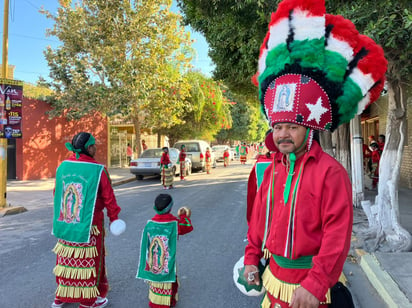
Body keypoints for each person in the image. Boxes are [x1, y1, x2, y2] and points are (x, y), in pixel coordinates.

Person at [242, 0, 387, 307]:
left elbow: (337, 233)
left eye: (292, 127)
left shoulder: (331, 172)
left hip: (311, 293)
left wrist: (317, 282)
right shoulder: (271, 170)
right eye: (278, 126)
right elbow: (258, 221)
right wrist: (252, 259)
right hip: (273, 286)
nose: (282, 134)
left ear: (308, 128)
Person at [51, 132, 125, 308]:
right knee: (89, 262)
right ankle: (88, 301)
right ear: (89, 148)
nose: (96, 148)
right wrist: (114, 218)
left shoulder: (63, 166)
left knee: (67, 260)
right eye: (94, 145)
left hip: (67, 223)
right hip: (90, 226)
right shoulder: (98, 169)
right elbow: (109, 199)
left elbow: (56, 193)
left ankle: (60, 297)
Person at [136, 194, 193, 308]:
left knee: (155, 278)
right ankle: (168, 301)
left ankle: (155, 300)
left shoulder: (150, 224)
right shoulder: (174, 223)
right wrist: (184, 216)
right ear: (170, 208)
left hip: (153, 261)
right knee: (169, 276)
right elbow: (188, 226)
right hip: (166, 260)